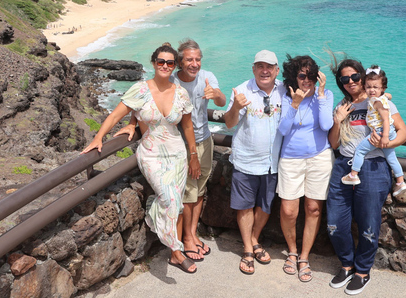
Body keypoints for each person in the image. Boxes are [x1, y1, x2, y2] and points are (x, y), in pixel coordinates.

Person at [82, 43, 201, 274]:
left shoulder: (181, 93)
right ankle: (174, 249)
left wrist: (193, 154)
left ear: (175, 65)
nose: (165, 66)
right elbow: (116, 114)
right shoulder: (140, 90)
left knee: (175, 202)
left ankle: (173, 251)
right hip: (151, 153)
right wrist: (98, 138)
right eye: (161, 62)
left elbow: (187, 127)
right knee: (168, 198)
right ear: (154, 63)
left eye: (170, 63)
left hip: (177, 153)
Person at [326, 58, 406, 295]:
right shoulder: (343, 106)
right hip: (343, 166)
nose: (350, 82)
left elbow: (404, 133)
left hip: (373, 168)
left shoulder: (379, 102)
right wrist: (337, 121)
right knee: (335, 223)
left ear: (363, 77)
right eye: (345, 79)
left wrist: (386, 143)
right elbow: (333, 143)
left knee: (368, 223)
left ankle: (362, 271)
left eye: (354, 77)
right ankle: (346, 265)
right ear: (341, 83)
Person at [223, 49, 285, 276]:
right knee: (245, 206)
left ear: (277, 70)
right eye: (260, 66)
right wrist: (236, 107)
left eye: (269, 66)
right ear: (254, 69)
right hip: (246, 160)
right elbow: (229, 124)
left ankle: (254, 238)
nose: (265, 70)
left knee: (265, 205)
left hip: (273, 162)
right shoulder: (241, 90)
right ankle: (249, 249)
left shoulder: (285, 90)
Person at [276, 55, 334, 283]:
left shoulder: (325, 95)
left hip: (319, 158)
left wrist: (319, 95)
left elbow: (327, 125)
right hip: (290, 159)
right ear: (294, 76)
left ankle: (304, 257)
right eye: (302, 75)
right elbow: (283, 129)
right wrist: (294, 104)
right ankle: (291, 250)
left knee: (313, 209)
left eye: (311, 75)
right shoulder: (286, 95)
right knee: (289, 210)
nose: (306, 80)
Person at [171, 39, 226, 262]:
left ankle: (193, 234)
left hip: (205, 139)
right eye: (189, 59)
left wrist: (216, 95)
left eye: (197, 59)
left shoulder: (207, 76)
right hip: (182, 144)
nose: (194, 64)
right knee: (187, 191)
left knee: (200, 188)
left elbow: (222, 103)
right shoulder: (172, 80)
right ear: (180, 61)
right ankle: (186, 239)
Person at [341, 66, 406, 197]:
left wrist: (385, 138)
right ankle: (400, 182)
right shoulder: (382, 97)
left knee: (360, 150)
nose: (371, 90)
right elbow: (389, 95)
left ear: (382, 88)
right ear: (364, 87)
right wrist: (386, 94)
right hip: (385, 131)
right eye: (369, 87)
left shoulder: (377, 102)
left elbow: (386, 120)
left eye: (375, 87)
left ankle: (353, 174)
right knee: (391, 158)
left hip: (381, 131)